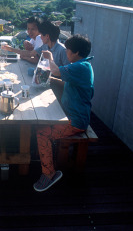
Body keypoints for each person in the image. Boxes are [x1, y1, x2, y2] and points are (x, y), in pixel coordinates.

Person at [33, 34, 94, 192]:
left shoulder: (80, 67)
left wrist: (50, 57)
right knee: (40, 120)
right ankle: (44, 158)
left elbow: (56, 70)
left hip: (76, 121)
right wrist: (51, 80)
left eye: (67, 50)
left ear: (76, 52)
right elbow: (66, 81)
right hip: (69, 114)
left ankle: (49, 174)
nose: (66, 52)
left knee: (42, 133)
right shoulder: (83, 64)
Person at [2, 20, 70, 67]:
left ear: (47, 36)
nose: (40, 37)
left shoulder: (63, 50)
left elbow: (68, 73)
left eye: (41, 35)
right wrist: (11, 49)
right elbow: (30, 53)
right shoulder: (45, 47)